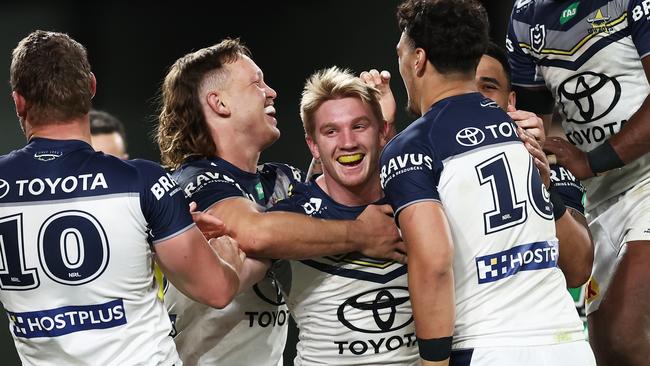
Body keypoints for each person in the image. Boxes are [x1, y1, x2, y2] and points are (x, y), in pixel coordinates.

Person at [0, 30, 243, 366]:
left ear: (19, 102)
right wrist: (226, 254)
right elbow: (217, 290)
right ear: (91, 88)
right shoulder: (143, 181)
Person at [156, 39, 404, 365]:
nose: (271, 92)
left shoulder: (282, 178)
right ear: (219, 103)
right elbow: (256, 233)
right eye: (256, 83)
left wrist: (375, 132)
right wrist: (363, 234)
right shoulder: (193, 182)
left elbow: (336, 194)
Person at [380, 1, 594, 365]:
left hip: (486, 344)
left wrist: (433, 361)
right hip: (568, 344)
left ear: (417, 59)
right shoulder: (524, 136)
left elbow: (433, 261)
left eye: (400, 53)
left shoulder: (413, 146)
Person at [507, 1, 650, 364]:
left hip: (647, 179)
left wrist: (591, 161)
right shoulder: (525, 19)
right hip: (600, 200)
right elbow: (535, 120)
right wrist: (538, 141)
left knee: (626, 331)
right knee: (607, 348)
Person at [266, 66, 417, 365]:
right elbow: (257, 236)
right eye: (331, 131)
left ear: (382, 132)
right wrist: (359, 234)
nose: (347, 142)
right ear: (313, 145)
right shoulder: (293, 214)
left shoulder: (416, 198)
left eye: (359, 126)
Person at [476, 42, 594, 288]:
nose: (476, 97)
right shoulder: (430, 162)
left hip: (545, 318)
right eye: (466, 88)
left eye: (488, 87)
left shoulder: (549, 168)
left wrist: (540, 181)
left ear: (511, 101)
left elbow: (579, 270)